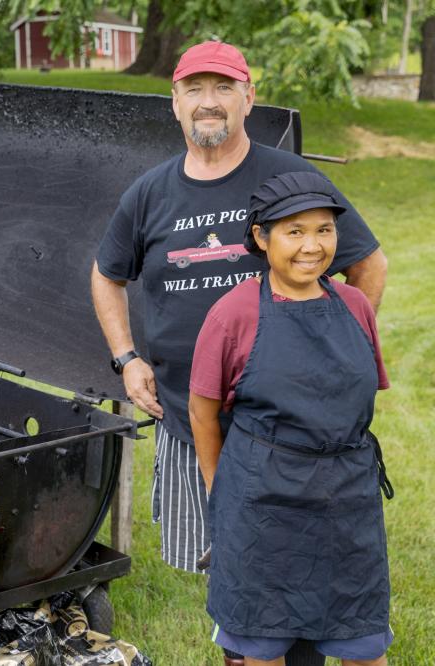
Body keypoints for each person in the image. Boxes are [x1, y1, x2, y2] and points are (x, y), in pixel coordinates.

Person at [91, 40, 387, 575]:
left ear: (249, 99)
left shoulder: (290, 179)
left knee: (300, 564)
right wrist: (126, 358)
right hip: (186, 415)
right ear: (174, 102)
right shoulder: (148, 193)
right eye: (195, 89)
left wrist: (337, 351)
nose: (209, 101)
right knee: (221, 572)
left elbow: (367, 265)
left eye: (224, 88)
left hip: (288, 427)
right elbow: (106, 275)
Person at [188, 171, 392, 666]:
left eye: (324, 230)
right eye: (294, 231)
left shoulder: (355, 305)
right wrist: (223, 489)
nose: (312, 246)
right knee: (261, 641)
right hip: (263, 505)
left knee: (362, 641)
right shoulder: (232, 314)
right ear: (261, 237)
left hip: (347, 501)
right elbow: (202, 409)